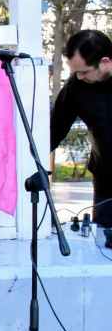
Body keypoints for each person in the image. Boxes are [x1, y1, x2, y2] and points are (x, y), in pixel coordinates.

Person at [51, 29, 112, 227]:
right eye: (75, 72)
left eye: (84, 71)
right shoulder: (75, 89)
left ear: (105, 62)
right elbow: (54, 131)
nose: (78, 77)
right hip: (106, 180)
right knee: (104, 245)